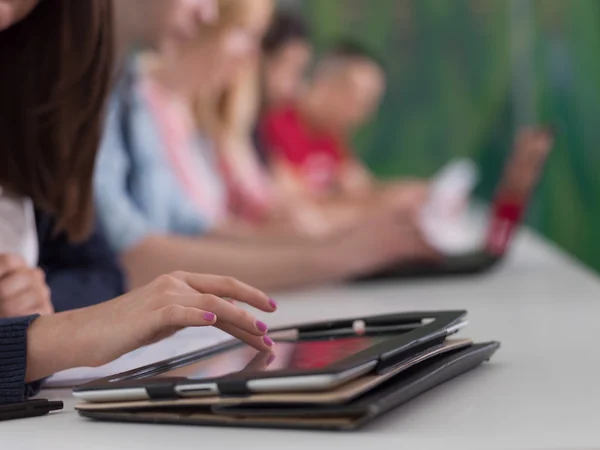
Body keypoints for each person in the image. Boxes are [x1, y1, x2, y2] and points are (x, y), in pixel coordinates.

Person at [0, 0, 276, 406]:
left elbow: (100, 268)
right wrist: (41, 339)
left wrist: (33, 306)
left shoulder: (30, 96)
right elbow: (135, 252)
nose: (208, 15)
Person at [94, 0, 436, 292]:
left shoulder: (154, 104)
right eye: (247, 33)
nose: (254, 56)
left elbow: (197, 227)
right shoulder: (136, 99)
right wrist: (331, 253)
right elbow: (134, 252)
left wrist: (340, 243)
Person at [260, 40, 431, 228]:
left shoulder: (332, 138)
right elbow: (292, 201)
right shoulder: (276, 122)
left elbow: (362, 189)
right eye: (363, 101)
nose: (366, 115)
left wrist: (415, 193)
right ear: (328, 85)